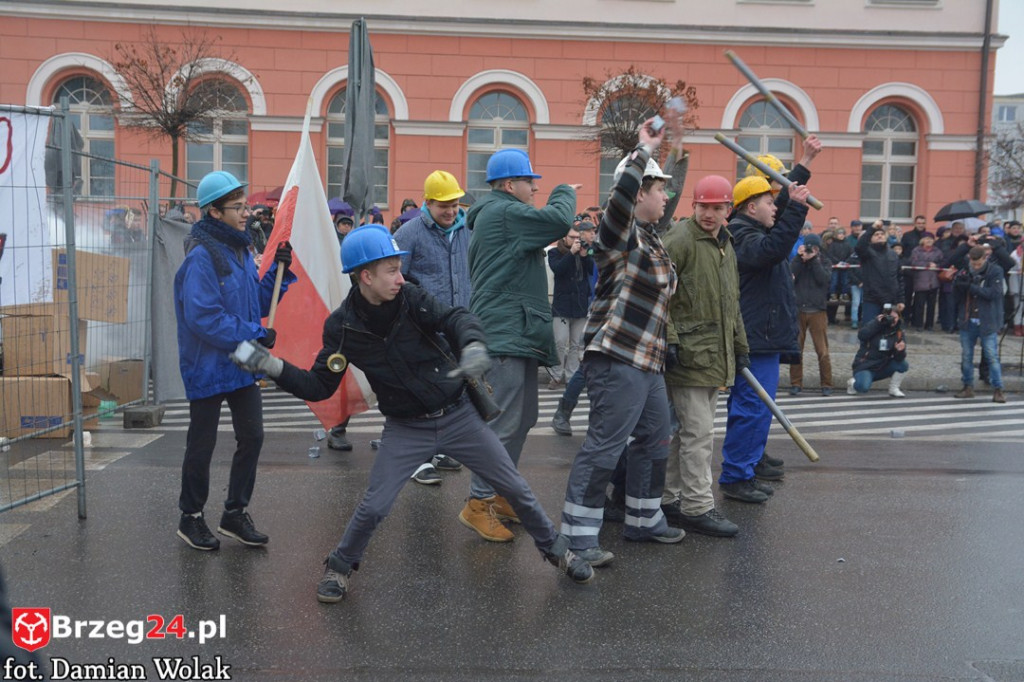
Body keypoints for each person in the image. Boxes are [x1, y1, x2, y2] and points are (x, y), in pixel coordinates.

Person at [231, 225, 593, 602]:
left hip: (458, 417)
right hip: (406, 429)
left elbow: (456, 318)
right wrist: (273, 367)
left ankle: (557, 551)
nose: (400, 277)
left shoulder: (412, 298)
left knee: (515, 488)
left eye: (399, 268)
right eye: (391, 270)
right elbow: (319, 387)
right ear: (365, 275)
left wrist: (471, 346)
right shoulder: (342, 327)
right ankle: (339, 566)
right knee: (374, 506)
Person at [559, 118, 684, 567]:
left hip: (647, 360)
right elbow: (617, 209)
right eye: (659, 189)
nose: (665, 197)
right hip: (616, 356)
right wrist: (641, 153)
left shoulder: (652, 239)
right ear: (639, 193)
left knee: (655, 437)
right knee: (605, 445)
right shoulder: (622, 235)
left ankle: (643, 518)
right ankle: (576, 536)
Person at [173, 170, 296, 551]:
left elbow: (253, 305)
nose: (246, 213)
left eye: (245, 205)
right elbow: (204, 317)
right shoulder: (201, 257)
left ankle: (234, 513)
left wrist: (279, 270)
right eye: (238, 207)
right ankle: (190, 517)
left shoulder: (240, 249)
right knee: (202, 443)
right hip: (207, 363)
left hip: (240, 361)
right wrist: (256, 334)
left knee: (253, 436)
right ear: (213, 212)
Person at [461, 148, 577, 542]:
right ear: (510, 185)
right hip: (504, 333)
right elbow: (560, 219)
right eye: (531, 183)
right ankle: (478, 502)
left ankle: (498, 492)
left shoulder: (501, 213)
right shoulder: (503, 211)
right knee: (503, 424)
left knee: (522, 419)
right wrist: (564, 190)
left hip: (516, 332)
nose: (535, 189)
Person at [659, 174, 746, 538]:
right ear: (693, 206)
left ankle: (670, 498)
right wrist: (672, 340)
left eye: (717, 207)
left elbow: (732, 303)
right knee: (698, 434)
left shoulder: (726, 245)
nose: (709, 214)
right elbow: (660, 295)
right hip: (690, 356)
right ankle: (697, 506)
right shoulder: (679, 241)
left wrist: (740, 348)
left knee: (688, 434)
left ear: (728, 209)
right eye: (703, 207)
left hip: (713, 355)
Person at [719, 173, 811, 504]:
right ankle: (736, 475)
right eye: (769, 202)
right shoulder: (741, 235)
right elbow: (773, 248)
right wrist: (797, 208)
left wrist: (800, 174)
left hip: (763, 335)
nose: (776, 207)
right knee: (751, 408)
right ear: (751, 206)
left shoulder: (754, 228)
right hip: (756, 336)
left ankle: (744, 470)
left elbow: (779, 217)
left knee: (757, 409)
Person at [392, 169, 474, 482]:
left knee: (449, 392)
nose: (450, 211)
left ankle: (440, 449)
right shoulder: (408, 234)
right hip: (421, 327)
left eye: (454, 204)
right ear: (427, 203)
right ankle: (417, 459)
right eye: (443, 205)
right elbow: (395, 277)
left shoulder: (467, 230)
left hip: (456, 324)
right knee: (420, 394)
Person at [952, 246, 1007, 403]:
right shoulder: (964, 270)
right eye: (973, 263)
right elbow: (956, 296)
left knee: (991, 356)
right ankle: (967, 386)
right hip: (967, 319)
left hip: (987, 320)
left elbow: (994, 293)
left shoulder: (995, 271)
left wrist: (972, 287)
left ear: (985, 258)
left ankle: (998, 389)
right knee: (966, 356)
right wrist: (959, 285)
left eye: (978, 264)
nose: (975, 267)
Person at [325, 199, 358, 453]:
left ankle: (398, 433)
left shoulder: (358, 244)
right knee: (344, 376)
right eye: (342, 224)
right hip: (341, 319)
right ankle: (337, 428)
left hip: (367, 317)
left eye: (349, 224)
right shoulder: (329, 246)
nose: (346, 228)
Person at [547, 223, 594, 390]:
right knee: (559, 341)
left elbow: (590, 270)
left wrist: (584, 255)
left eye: (577, 237)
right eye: (572, 237)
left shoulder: (583, 252)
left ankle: (571, 375)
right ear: (564, 238)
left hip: (580, 305)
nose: (576, 240)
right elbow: (558, 270)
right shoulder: (554, 252)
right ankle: (556, 374)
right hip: (562, 305)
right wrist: (571, 253)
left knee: (575, 343)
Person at [789, 233, 834, 396]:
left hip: (818, 311)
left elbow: (824, 280)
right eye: (808, 246)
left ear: (818, 248)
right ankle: (795, 383)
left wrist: (813, 260)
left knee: (822, 351)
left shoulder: (824, 261)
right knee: (796, 350)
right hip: (798, 310)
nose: (810, 250)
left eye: (813, 248)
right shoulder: (798, 261)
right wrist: (800, 259)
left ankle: (827, 384)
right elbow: (789, 275)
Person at [846, 303, 909, 397]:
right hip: (866, 366)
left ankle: (894, 388)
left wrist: (900, 350)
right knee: (863, 387)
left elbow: (898, 358)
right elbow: (862, 335)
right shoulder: (875, 325)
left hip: (882, 366)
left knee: (903, 364)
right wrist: (877, 323)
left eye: (895, 318)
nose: (892, 320)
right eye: (890, 317)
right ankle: (852, 383)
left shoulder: (898, 332)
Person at [856, 221, 902, 322]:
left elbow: (899, 277)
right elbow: (859, 247)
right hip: (872, 299)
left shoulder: (893, 254)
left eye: (882, 234)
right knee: (869, 330)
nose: (880, 236)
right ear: (871, 238)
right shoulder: (867, 252)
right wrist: (872, 228)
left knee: (888, 330)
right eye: (876, 234)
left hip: (890, 299)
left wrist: (900, 300)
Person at [908, 231, 942, 330]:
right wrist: (927, 265)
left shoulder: (937, 251)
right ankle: (918, 324)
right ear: (922, 240)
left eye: (931, 239)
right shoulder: (916, 250)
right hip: (920, 281)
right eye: (927, 239)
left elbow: (942, 262)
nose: (929, 241)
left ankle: (929, 325)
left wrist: (937, 266)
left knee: (931, 305)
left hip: (933, 281)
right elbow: (914, 262)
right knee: (919, 304)